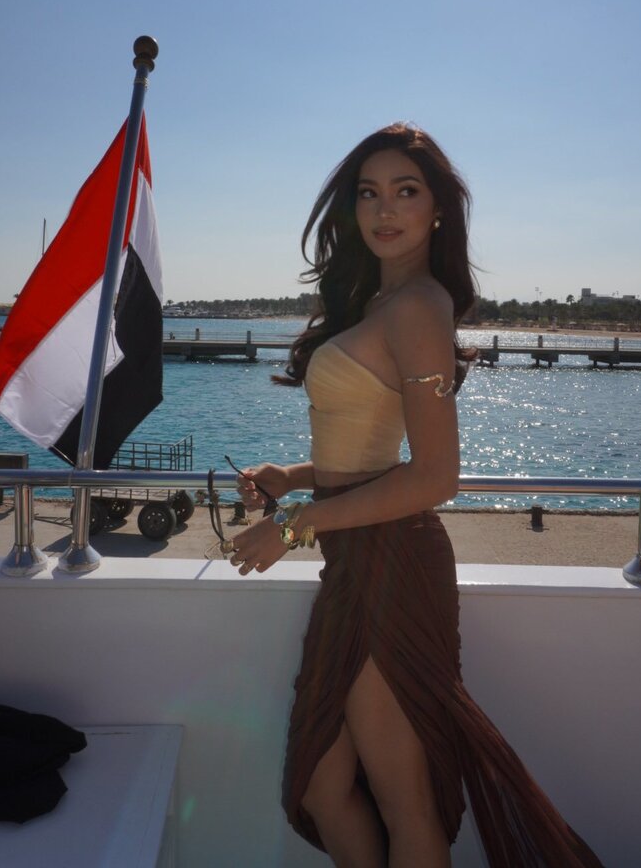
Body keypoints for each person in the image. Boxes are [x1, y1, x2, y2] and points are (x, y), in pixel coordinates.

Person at [229, 124, 603, 867]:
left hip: (394, 567)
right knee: (322, 786)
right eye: (369, 192)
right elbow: (369, 456)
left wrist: (296, 525)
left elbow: (436, 477)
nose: (384, 209)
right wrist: (292, 478)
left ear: (437, 210)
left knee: (407, 802)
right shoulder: (380, 301)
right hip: (354, 559)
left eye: (406, 190)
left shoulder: (419, 307)